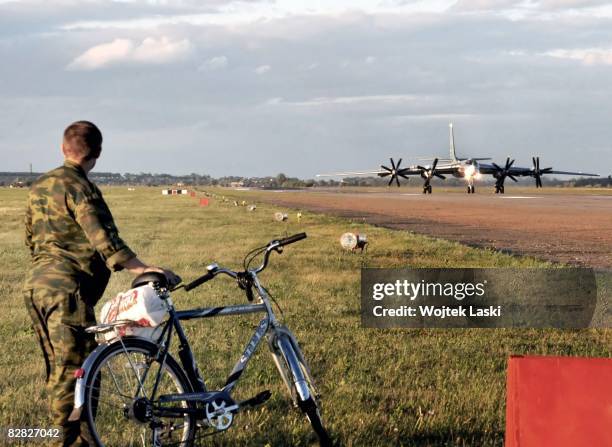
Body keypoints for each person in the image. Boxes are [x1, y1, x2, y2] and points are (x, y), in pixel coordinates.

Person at [23, 120, 179, 446]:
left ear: (63, 148)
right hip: (67, 291)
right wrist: (143, 268)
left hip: (37, 288)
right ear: (97, 153)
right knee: (78, 376)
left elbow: (31, 239)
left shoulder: (40, 185)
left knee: (59, 372)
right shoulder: (81, 187)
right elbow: (103, 238)